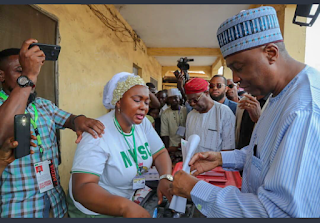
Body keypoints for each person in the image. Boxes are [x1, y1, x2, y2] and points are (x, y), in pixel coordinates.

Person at [171, 6, 320, 217]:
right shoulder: (276, 95)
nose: (235, 78)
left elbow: (278, 212)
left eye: (239, 67)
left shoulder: (305, 109)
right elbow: (264, 154)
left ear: (271, 53)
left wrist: (195, 189)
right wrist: (223, 158)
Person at [0, 39, 105, 218]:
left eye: (32, 72)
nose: (30, 78)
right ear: (1, 76)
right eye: (20, 71)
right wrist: (29, 76)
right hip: (18, 210)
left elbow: (69, 119)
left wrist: (78, 120)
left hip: (56, 205)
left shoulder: (43, 105)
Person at [68, 72, 173, 218]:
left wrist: (165, 177)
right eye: (137, 100)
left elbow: (160, 153)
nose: (144, 107)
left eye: (147, 102)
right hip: (94, 211)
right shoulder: (97, 133)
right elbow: (82, 188)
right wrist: (126, 208)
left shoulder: (143, 125)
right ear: (118, 101)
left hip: (123, 203)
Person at [184, 78, 235, 153]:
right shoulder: (191, 115)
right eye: (189, 101)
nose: (192, 104)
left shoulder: (224, 112)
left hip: (216, 164)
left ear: (206, 93)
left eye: (195, 100)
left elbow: (228, 149)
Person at [161, 88, 187, 152]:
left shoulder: (185, 110)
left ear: (179, 98)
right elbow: (165, 133)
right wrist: (167, 149)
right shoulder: (165, 113)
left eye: (175, 98)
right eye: (170, 98)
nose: (173, 100)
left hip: (186, 144)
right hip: (172, 145)